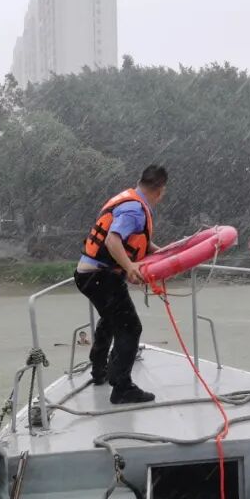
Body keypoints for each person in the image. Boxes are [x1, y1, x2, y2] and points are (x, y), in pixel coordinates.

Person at [75, 165, 167, 404]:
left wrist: (161, 253)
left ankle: (99, 370)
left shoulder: (127, 199)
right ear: (160, 190)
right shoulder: (135, 210)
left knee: (111, 318)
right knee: (130, 328)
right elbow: (113, 240)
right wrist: (129, 267)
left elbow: (136, 241)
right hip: (101, 276)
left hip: (89, 274)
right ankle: (122, 387)